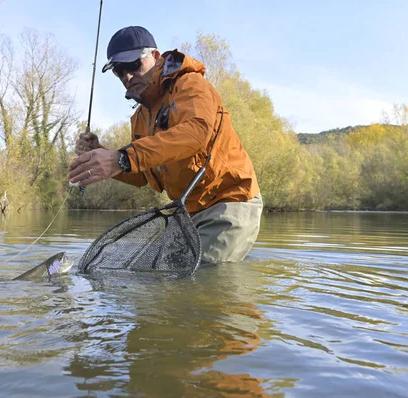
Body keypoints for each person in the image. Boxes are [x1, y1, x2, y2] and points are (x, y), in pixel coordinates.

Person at [68, 26, 263, 264]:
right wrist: (105, 155)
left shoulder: (190, 84)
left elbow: (195, 134)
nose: (127, 76)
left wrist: (120, 158)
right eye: (119, 71)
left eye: (133, 65)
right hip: (189, 214)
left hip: (229, 201)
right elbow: (143, 175)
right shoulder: (140, 118)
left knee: (202, 278)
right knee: (165, 276)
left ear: (156, 57)